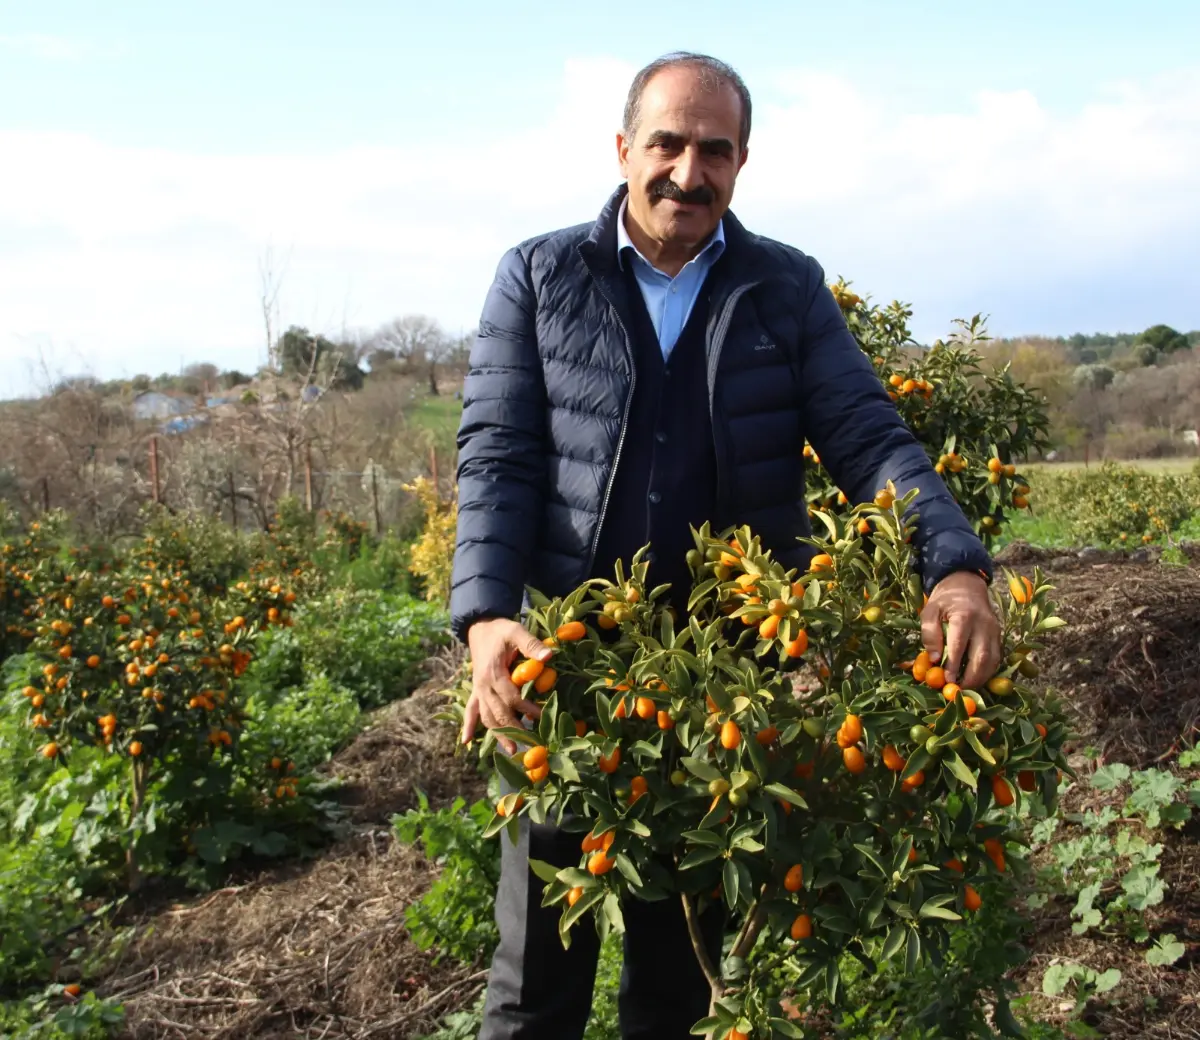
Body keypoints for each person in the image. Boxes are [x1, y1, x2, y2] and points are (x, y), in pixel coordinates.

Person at [449, 51, 1001, 1040]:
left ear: (742, 161)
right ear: (623, 150)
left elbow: (869, 435)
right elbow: (498, 452)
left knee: (678, 972)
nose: (687, 173)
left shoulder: (780, 286)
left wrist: (951, 562)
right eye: (665, 144)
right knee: (535, 976)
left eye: (715, 150)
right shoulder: (540, 276)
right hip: (566, 667)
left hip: (724, 681)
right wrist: (488, 612)